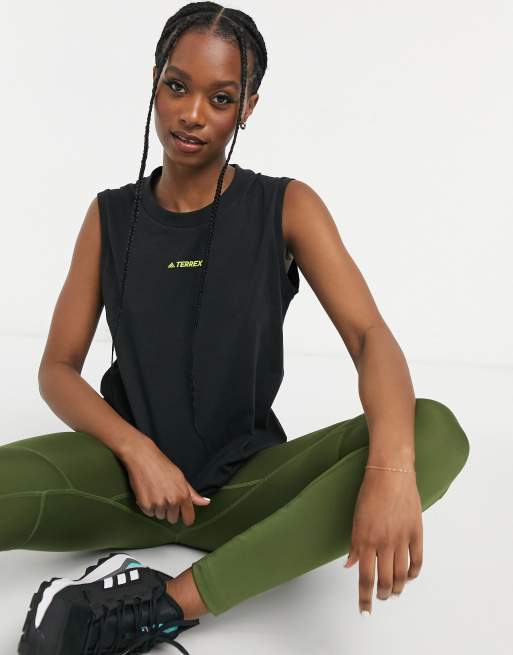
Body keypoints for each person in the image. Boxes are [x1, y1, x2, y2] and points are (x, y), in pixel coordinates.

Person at [3, 3, 470, 654]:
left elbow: (368, 335)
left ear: (247, 107)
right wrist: (137, 452)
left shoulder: (285, 206)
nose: (192, 113)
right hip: (119, 480)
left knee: (432, 431)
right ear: (155, 82)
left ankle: (161, 605)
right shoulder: (109, 216)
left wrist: (391, 468)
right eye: (177, 86)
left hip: (248, 487)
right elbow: (57, 368)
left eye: (220, 98)